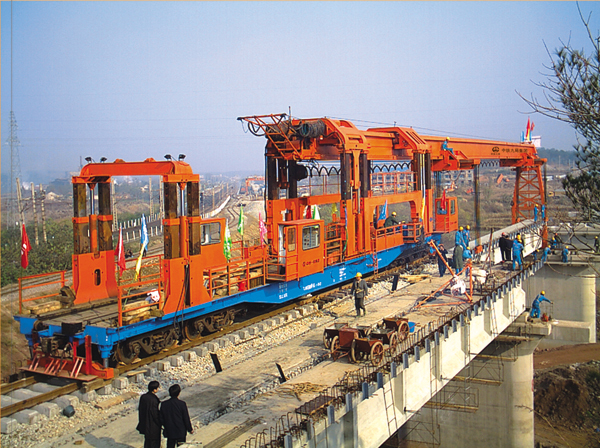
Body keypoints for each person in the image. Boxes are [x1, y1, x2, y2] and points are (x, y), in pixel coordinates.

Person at [160, 384, 193, 448]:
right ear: (179, 393)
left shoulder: (164, 404)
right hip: (180, 431)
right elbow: (186, 418)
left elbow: (161, 418)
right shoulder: (182, 404)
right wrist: (190, 429)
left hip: (169, 431)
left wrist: (165, 426)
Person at [137, 381, 162, 448]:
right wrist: (160, 422)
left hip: (145, 424)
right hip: (153, 426)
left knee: (147, 442)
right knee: (154, 443)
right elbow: (155, 414)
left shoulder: (143, 397)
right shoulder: (154, 399)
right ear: (154, 390)